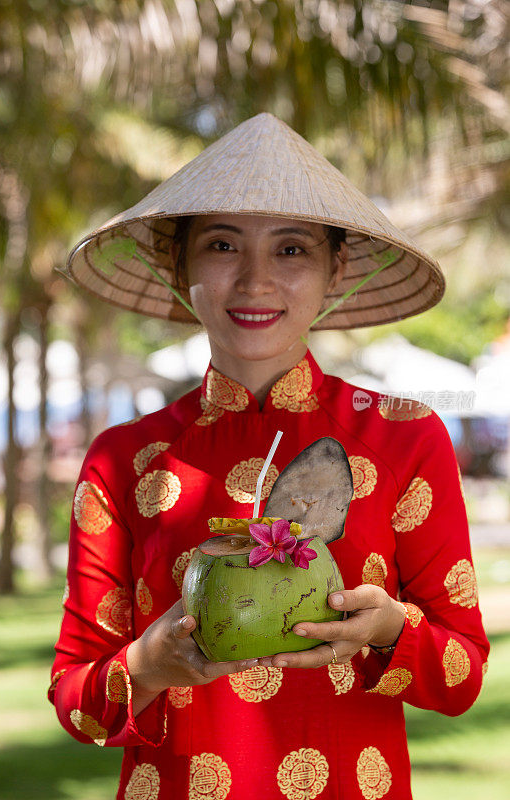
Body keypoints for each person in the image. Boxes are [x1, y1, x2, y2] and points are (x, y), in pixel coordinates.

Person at [49, 113, 489, 800]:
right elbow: (75, 702)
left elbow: (461, 677)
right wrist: (148, 665)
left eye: (291, 250)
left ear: (334, 268)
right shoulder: (124, 460)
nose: (255, 280)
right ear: (179, 266)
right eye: (223, 245)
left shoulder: (405, 437)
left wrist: (386, 630)